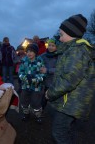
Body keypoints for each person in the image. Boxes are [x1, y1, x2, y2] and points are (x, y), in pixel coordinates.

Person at [45, 14, 95, 143]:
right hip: (71, 101)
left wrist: (50, 93)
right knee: (68, 130)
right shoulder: (72, 49)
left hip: (71, 103)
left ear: (72, 33)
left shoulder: (77, 51)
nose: (59, 38)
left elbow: (69, 80)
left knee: (59, 132)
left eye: (61, 35)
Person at [18, 43, 45, 124]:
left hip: (36, 87)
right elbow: (20, 72)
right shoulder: (23, 61)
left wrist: (35, 79)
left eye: (31, 51)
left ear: (36, 52)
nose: (29, 53)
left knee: (36, 102)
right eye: (28, 51)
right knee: (24, 101)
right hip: (25, 86)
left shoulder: (40, 61)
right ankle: (26, 114)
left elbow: (43, 74)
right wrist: (25, 78)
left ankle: (38, 116)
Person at [40, 39, 58, 110]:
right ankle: (40, 111)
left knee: (57, 97)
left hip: (56, 81)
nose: (50, 47)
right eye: (49, 45)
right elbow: (38, 63)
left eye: (53, 46)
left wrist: (48, 70)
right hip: (46, 80)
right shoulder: (43, 56)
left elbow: (60, 69)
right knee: (45, 96)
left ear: (56, 47)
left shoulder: (59, 56)